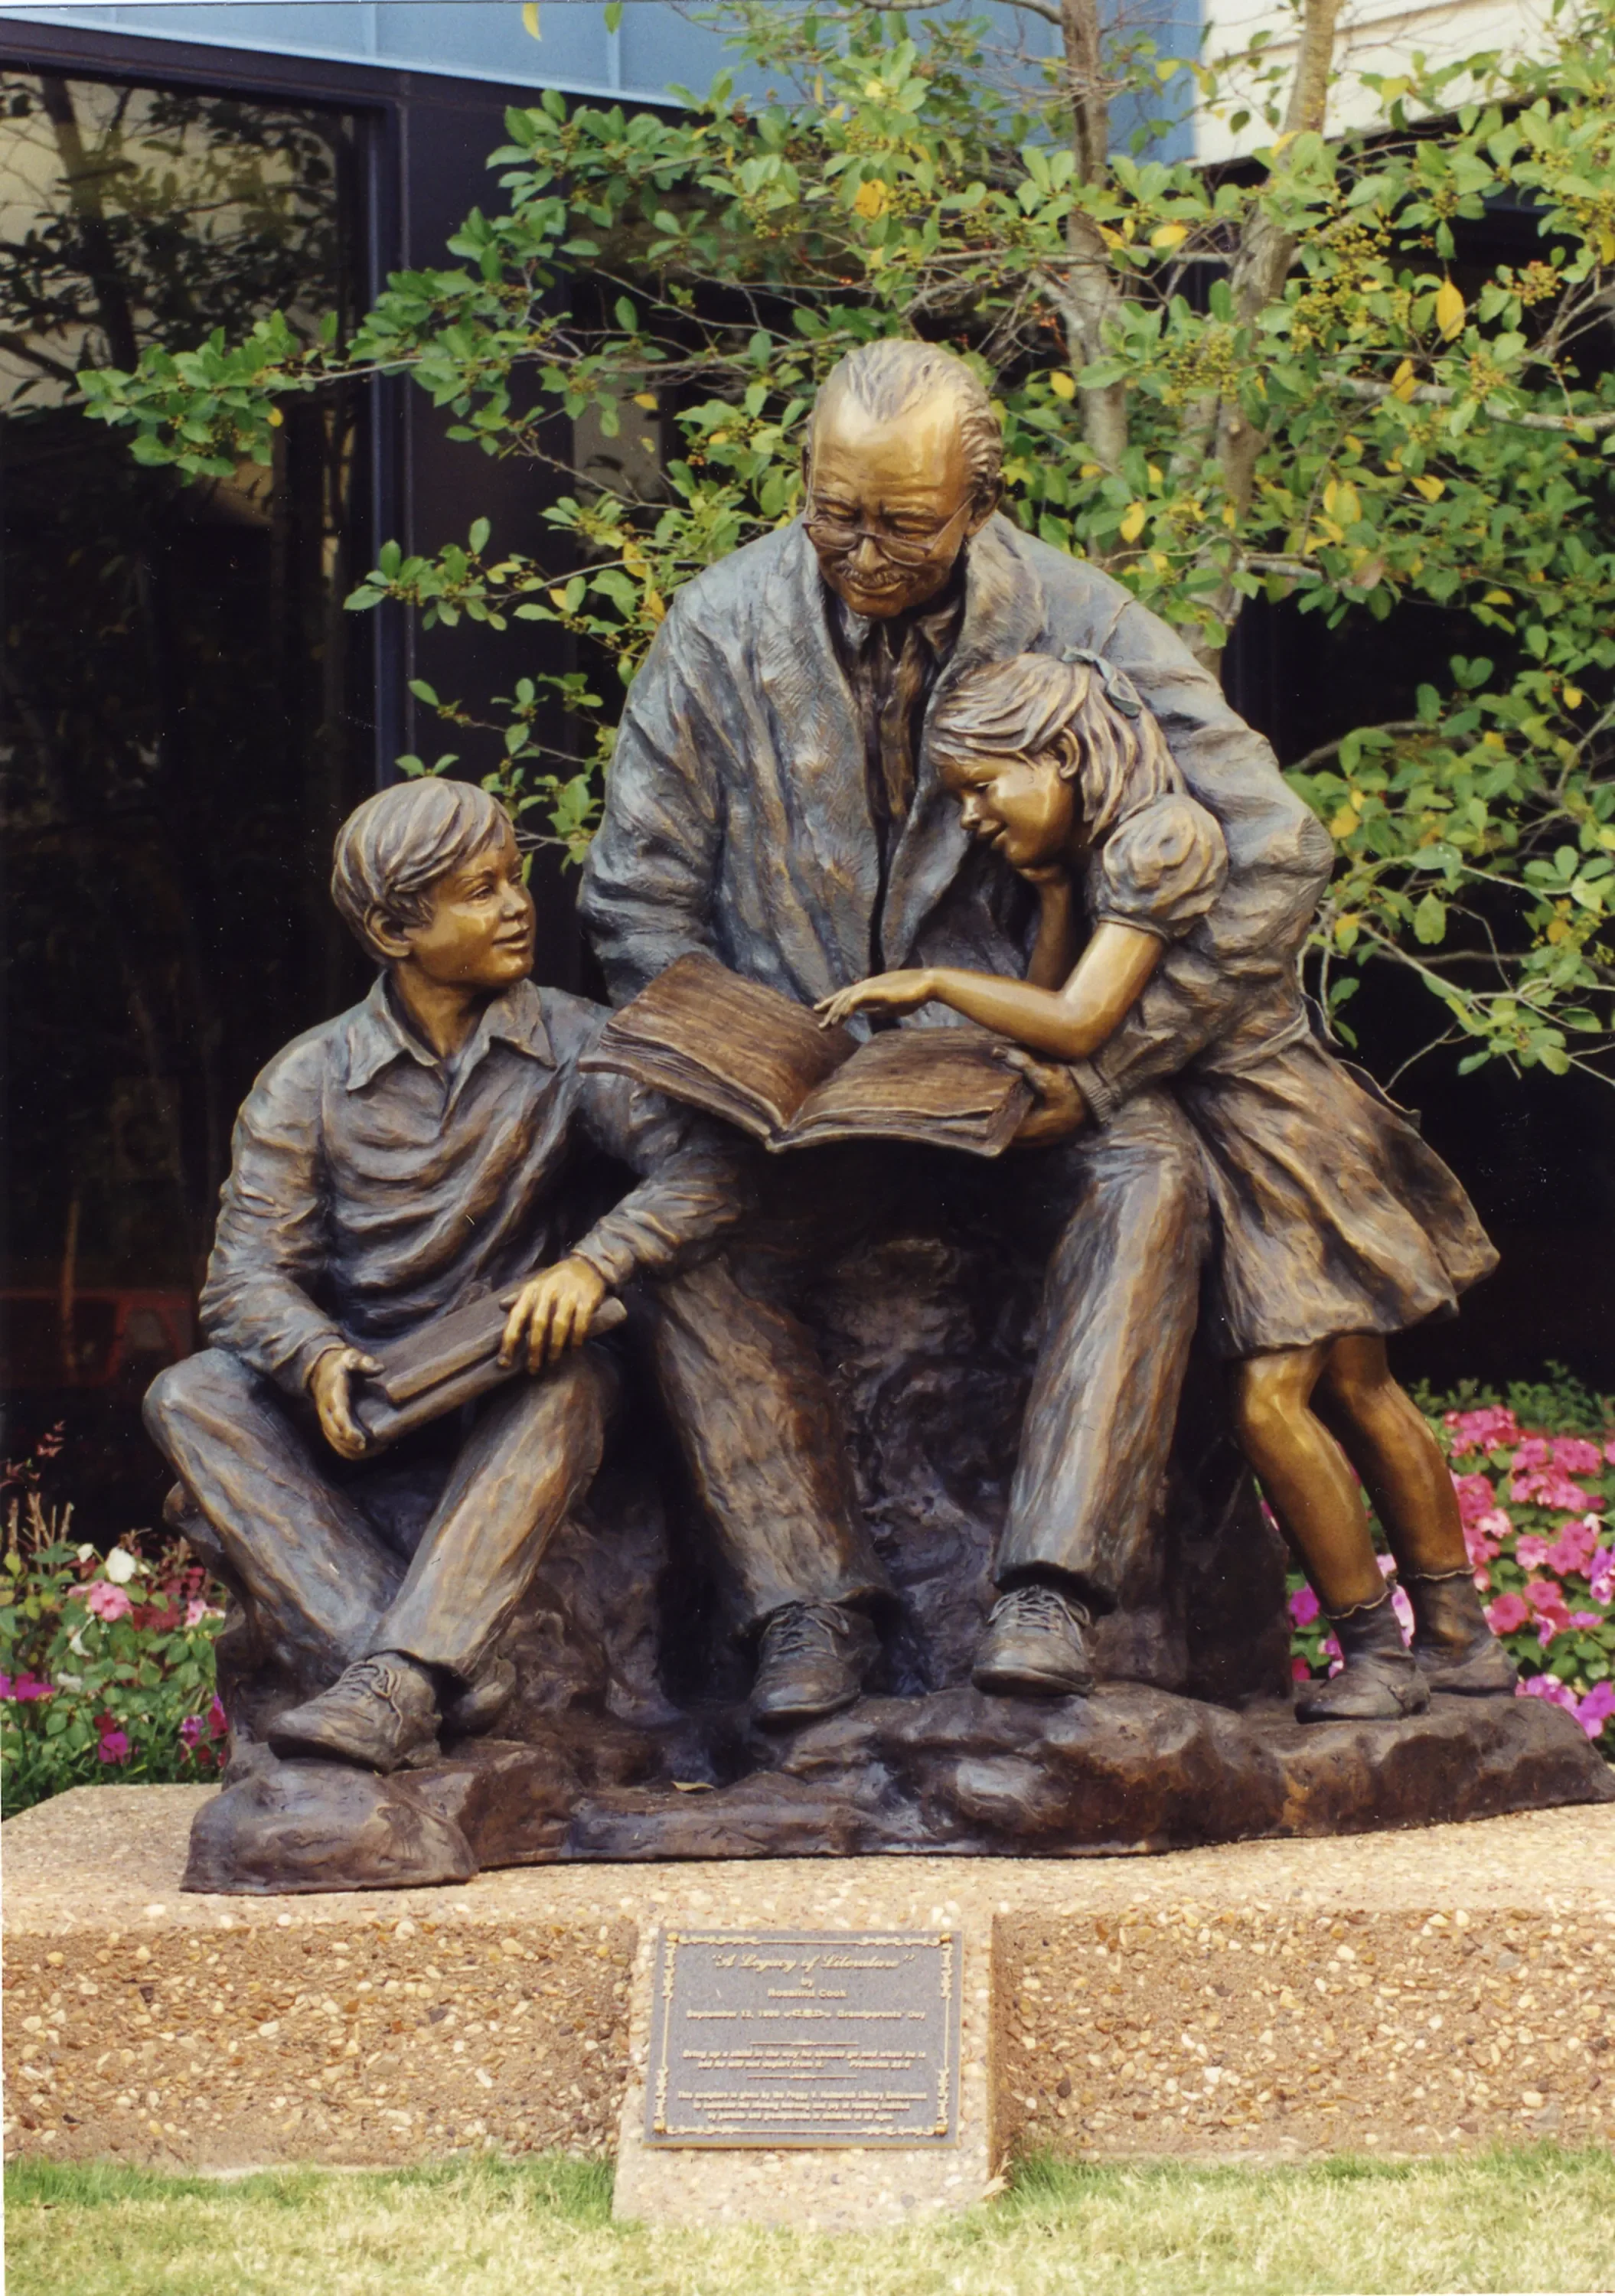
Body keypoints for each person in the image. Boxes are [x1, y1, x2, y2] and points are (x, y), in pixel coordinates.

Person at [582, 337, 1333, 1707]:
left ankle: (1051, 1590)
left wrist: (1103, 1062)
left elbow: (1274, 848)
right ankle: (806, 1610)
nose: (859, 552)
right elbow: (638, 895)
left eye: (902, 525)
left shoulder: (1081, 618)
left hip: (1014, 1085)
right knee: (678, 1231)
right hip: (795, 1090)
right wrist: (719, 1048)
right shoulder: (717, 623)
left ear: (979, 505)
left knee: (1148, 1179)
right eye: (832, 512)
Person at [819, 651, 1513, 1718]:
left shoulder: (1162, 841)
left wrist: (936, 982)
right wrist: (1051, 893)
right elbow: (1060, 990)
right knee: (1358, 1388)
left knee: (1273, 1399)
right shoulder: (1101, 851)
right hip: (1249, 1136)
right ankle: (1458, 1639)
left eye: (982, 787)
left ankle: (1377, 1651)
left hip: (1278, 1134)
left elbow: (1079, 1025)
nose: (970, 820)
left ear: (1059, 754)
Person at [145, 778, 742, 1773]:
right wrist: (316, 1357)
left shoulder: (577, 1044)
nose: (516, 905)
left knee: (577, 1381)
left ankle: (401, 1682)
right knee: (191, 1391)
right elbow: (244, 1278)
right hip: (368, 1394)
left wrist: (593, 1268)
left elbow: (706, 1173)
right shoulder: (309, 1080)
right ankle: (421, 1663)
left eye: (516, 878)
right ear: (392, 928)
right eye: (480, 890)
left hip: (505, 1379)